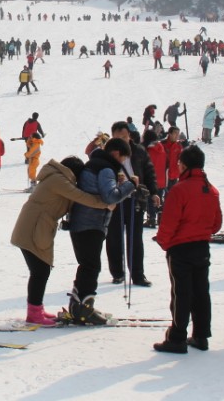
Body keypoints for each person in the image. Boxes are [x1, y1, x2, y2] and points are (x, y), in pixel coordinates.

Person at [11, 157, 109, 325]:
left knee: (40, 270)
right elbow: (80, 196)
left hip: (36, 227)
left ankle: (36, 309)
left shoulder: (56, 177)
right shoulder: (58, 180)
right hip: (33, 228)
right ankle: (34, 313)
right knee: (40, 271)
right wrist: (105, 203)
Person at [153, 145, 222, 353]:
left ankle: (177, 337)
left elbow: (169, 222)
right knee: (201, 292)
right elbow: (216, 223)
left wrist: (163, 242)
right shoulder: (211, 189)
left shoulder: (179, 189)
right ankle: (201, 335)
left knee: (181, 293)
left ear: (183, 165)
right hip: (202, 246)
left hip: (180, 248)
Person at [65, 138, 137, 325]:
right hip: (91, 223)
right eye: (123, 159)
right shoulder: (106, 168)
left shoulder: (94, 163)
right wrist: (131, 185)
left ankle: (79, 305)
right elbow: (110, 196)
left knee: (87, 265)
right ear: (116, 153)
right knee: (91, 266)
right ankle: (83, 309)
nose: (123, 163)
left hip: (80, 223)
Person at [106, 123, 159, 287]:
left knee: (135, 238)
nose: (122, 140)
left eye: (124, 136)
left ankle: (137, 274)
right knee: (114, 238)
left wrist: (154, 192)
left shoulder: (139, 151)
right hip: (115, 200)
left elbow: (149, 172)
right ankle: (117, 273)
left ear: (129, 135)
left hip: (136, 199)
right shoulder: (108, 152)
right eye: (118, 137)